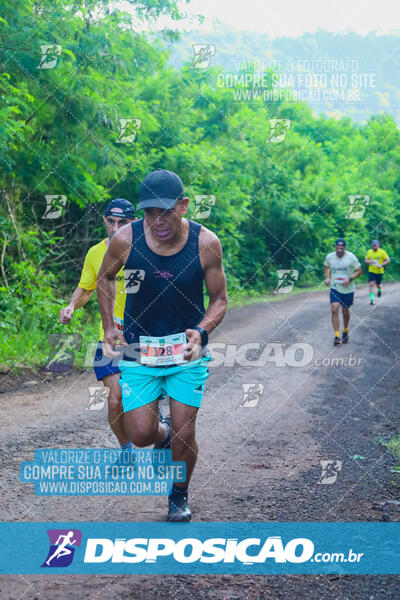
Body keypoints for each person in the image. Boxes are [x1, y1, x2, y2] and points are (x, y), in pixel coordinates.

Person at [97, 169, 228, 521]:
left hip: (186, 352)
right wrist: (110, 326)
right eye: (149, 212)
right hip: (139, 349)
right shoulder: (126, 239)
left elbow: (219, 299)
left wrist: (201, 330)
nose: (157, 220)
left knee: (187, 432)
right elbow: (105, 277)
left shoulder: (205, 244)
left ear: (183, 206)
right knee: (140, 434)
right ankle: (163, 432)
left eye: (166, 211)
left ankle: (178, 496)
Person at [59, 199, 135, 450]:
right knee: (115, 400)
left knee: (142, 400)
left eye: (122, 223)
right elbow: (86, 287)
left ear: (133, 223)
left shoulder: (144, 250)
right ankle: (126, 451)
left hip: (144, 336)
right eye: (111, 222)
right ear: (104, 220)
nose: (115, 228)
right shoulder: (95, 253)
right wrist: (71, 306)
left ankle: (160, 429)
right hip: (110, 336)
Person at [324, 238, 362, 346]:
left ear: (345, 248)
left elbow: (359, 271)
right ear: (335, 247)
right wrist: (327, 278)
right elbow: (326, 267)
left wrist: (350, 279)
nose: (339, 250)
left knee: (345, 311)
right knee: (334, 308)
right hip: (335, 287)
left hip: (348, 289)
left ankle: (345, 330)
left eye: (342, 248)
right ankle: (337, 336)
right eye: (338, 247)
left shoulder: (351, 257)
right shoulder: (330, 257)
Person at [365, 239, 390, 304]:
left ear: (378, 245)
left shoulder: (382, 252)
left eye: (376, 245)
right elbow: (366, 260)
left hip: (379, 271)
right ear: (372, 245)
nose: (374, 246)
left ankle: (379, 289)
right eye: (373, 245)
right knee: (371, 284)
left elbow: (388, 260)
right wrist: (370, 261)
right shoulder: (369, 252)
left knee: (378, 284)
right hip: (371, 271)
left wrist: (381, 265)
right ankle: (372, 300)